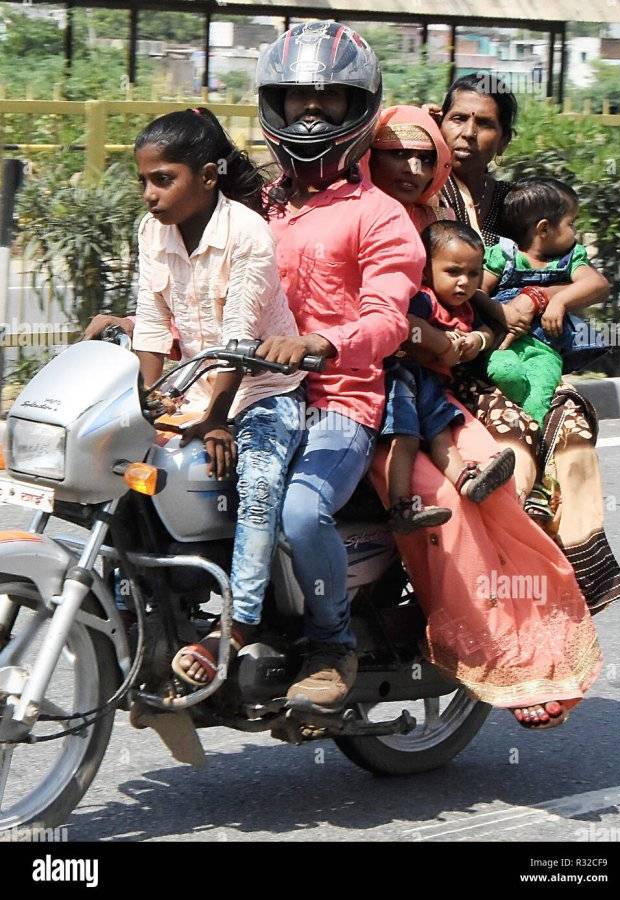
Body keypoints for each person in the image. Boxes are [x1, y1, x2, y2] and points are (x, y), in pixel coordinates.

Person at [367, 106, 603, 730]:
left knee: (522, 469)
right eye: (397, 155)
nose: (412, 167)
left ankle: (525, 645)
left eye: (487, 123)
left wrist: (508, 314)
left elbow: (489, 293)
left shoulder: (477, 207)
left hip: (458, 371)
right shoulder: (344, 206)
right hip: (368, 378)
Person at [253, 21, 426, 708]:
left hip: (339, 399)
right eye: (298, 100)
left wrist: (323, 343)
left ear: (359, 111)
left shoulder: (380, 216)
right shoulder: (255, 206)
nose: (312, 114)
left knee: (299, 511)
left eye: (329, 101)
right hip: (256, 393)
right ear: (276, 105)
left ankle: (333, 646)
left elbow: (387, 317)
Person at [114, 107, 310, 687]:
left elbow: (240, 342)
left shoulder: (247, 233)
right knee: (123, 464)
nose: (150, 195)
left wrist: (219, 420)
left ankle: (241, 622)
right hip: (193, 386)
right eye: (144, 180)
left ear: (207, 176)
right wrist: (150, 405)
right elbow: (151, 324)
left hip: (260, 389)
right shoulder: (153, 230)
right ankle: (135, 601)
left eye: (163, 179)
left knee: (257, 483)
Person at [431, 73, 620, 613]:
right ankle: (507, 569)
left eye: (485, 123)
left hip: (512, 353)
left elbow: (563, 272)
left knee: (571, 423)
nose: (468, 132)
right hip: (447, 358)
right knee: (513, 438)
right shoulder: (419, 188)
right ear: (439, 120)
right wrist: (495, 312)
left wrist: (543, 302)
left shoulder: (512, 205)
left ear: (505, 138)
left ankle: (565, 577)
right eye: (458, 118)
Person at [380, 220, 515, 532]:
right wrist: (437, 341)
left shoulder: (467, 309)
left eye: (473, 273)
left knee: (442, 433)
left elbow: (489, 329)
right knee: (406, 438)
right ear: (427, 270)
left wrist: (476, 341)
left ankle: (466, 481)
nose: (464, 282)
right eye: (453, 272)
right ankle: (401, 506)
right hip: (402, 376)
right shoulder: (424, 299)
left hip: (433, 382)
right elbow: (403, 322)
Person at [484, 177, 606, 428]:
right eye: (571, 223)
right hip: (505, 345)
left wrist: (559, 299)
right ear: (543, 229)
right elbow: (477, 292)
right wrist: (501, 312)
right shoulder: (503, 255)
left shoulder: (570, 258)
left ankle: (534, 439)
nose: (574, 231)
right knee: (502, 371)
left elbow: (597, 284)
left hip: (547, 350)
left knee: (539, 396)